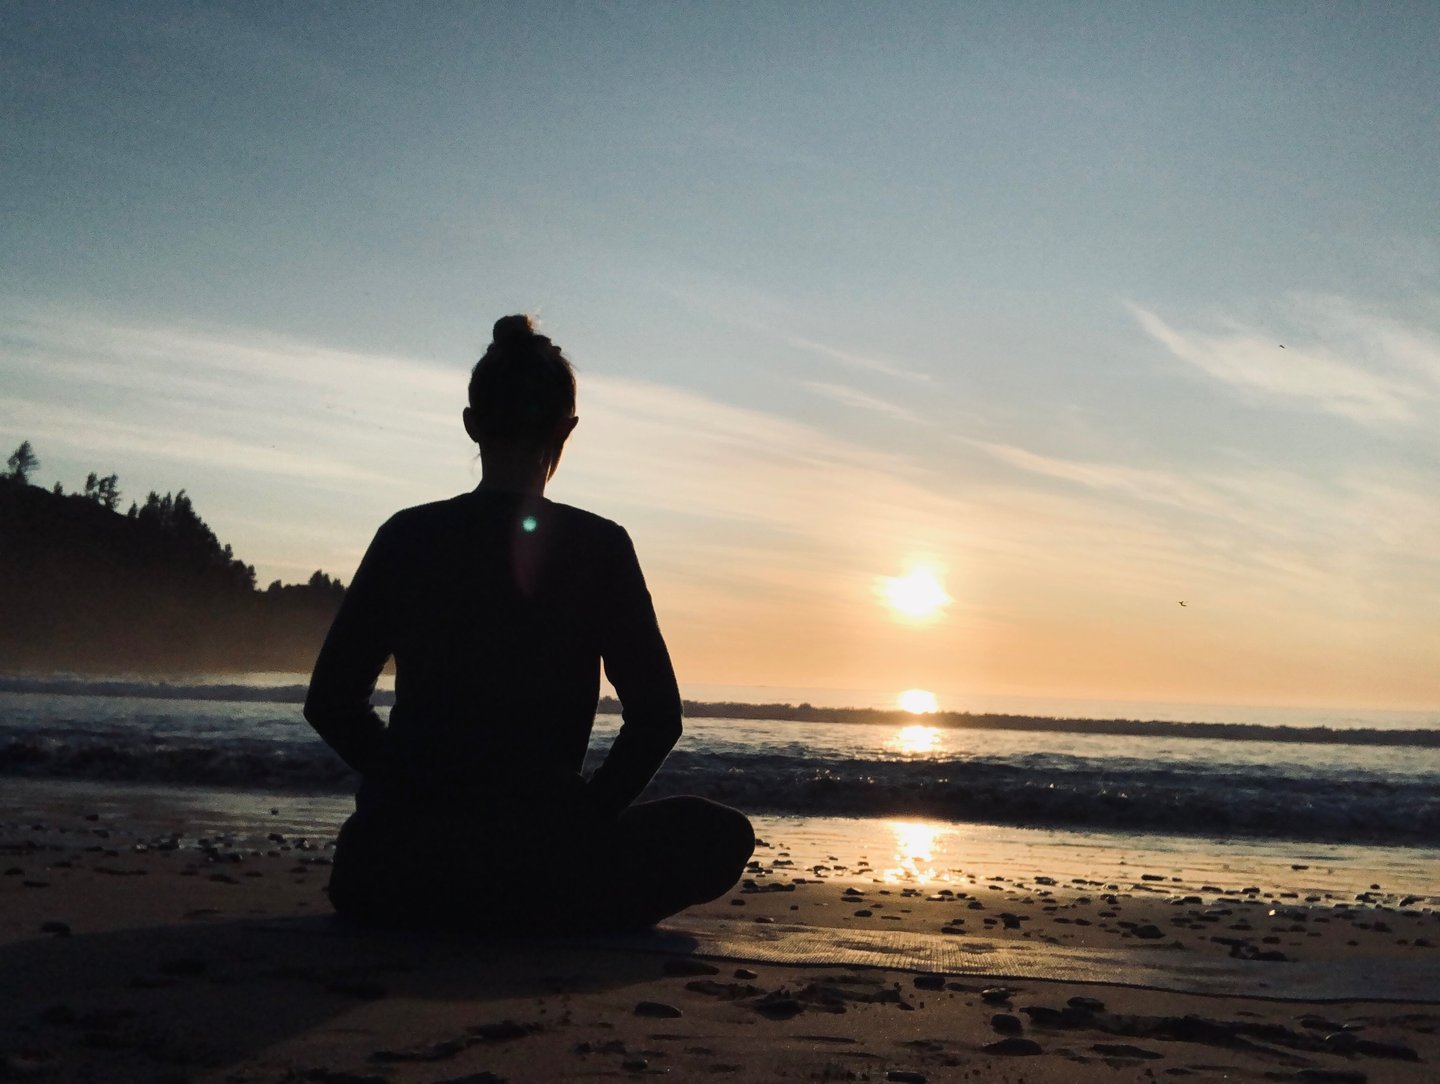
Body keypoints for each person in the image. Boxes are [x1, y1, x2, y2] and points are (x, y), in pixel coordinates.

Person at [304, 315, 754, 931]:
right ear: (567, 429)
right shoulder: (599, 546)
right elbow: (657, 718)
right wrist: (587, 814)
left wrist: (408, 790)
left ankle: (472, 900)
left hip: (393, 868)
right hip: (539, 855)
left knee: (394, 862)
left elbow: (330, 702)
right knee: (720, 835)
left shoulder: (407, 535)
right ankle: (543, 906)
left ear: (471, 424)